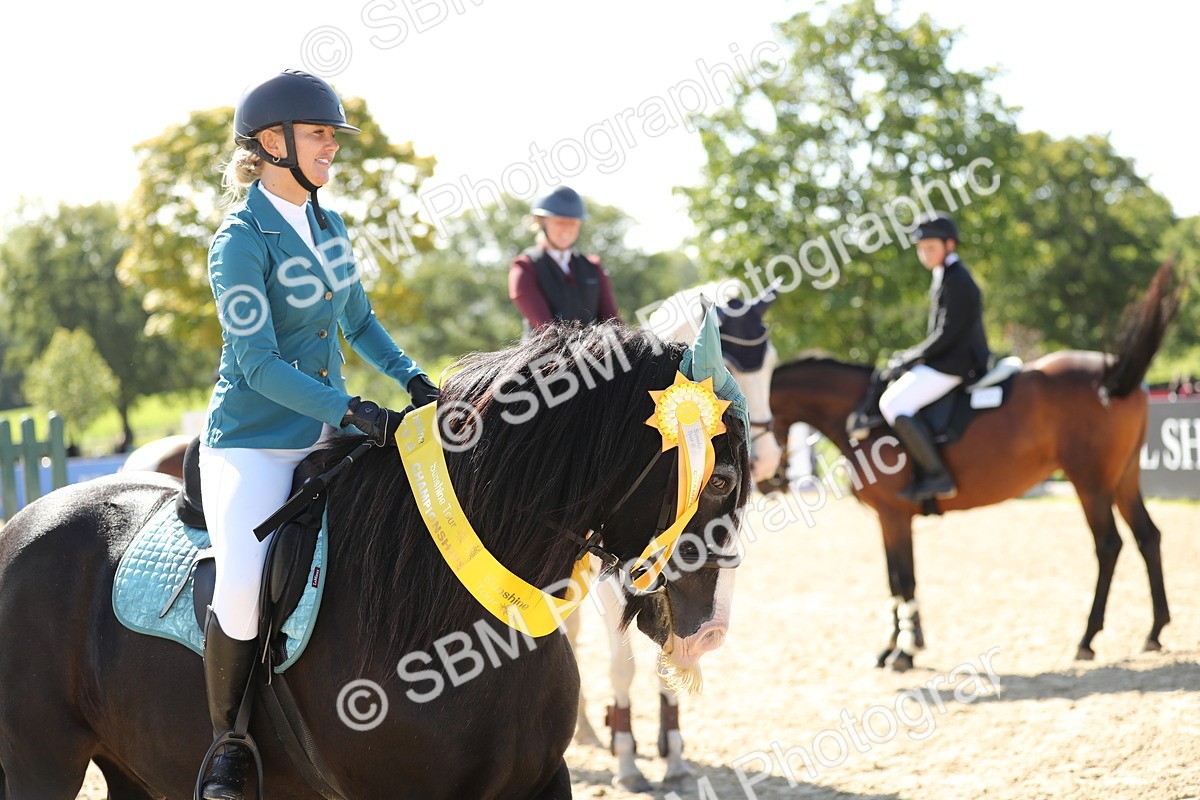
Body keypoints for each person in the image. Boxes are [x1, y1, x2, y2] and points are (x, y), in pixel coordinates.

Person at [197, 69, 439, 799]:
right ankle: (229, 744)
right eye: (319, 134)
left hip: (329, 430)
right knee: (241, 586)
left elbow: (358, 321)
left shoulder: (328, 226)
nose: (332, 146)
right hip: (253, 443)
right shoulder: (239, 242)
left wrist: (413, 378)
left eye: (333, 134)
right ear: (273, 143)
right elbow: (258, 363)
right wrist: (351, 409)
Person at [880, 212, 990, 503]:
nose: (924, 254)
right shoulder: (945, 274)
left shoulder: (958, 279)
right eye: (921, 249)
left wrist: (914, 356)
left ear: (949, 245)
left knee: (892, 402)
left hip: (957, 363)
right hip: (948, 358)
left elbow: (948, 333)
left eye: (931, 248)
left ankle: (938, 475)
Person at [508, 186, 619, 334]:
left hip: (593, 354)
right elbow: (547, 332)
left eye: (573, 223)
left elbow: (612, 323)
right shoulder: (525, 268)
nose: (567, 230)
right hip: (546, 354)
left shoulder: (593, 267)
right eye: (560, 222)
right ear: (541, 222)